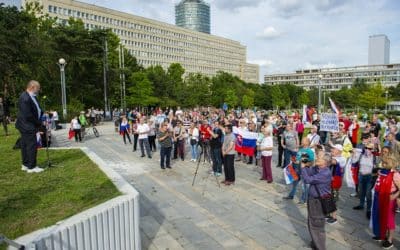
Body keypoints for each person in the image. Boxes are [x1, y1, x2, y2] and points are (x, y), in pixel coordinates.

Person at [301, 152, 333, 250]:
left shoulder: (325, 173)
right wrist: (305, 163)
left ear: (325, 162)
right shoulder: (318, 168)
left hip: (318, 202)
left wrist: (303, 168)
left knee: (317, 224)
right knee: (312, 221)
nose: (316, 158)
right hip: (313, 200)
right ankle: (315, 242)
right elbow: (309, 171)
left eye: (318, 157)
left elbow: (307, 179)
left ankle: (320, 247)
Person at [371, 155, 400, 249]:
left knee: (389, 220)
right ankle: (382, 235)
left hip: (389, 200)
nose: (383, 163)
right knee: (380, 216)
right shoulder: (383, 171)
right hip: (380, 197)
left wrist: (394, 196)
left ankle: (390, 240)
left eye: (386, 162)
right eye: (383, 162)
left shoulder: (395, 174)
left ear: (392, 163)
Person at [15, 80, 44, 173]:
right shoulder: (25, 98)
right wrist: (38, 122)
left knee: (25, 145)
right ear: (32, 87)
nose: (39, 90)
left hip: (28, 124)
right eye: (38, 88)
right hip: (27, 125)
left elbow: (36, 108)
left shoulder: (31, 96)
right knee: (31, 145)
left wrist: (42, 113)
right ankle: (32, 166)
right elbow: (28, 115)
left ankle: (25, 164)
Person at [353, 143, 375, 219]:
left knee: (368, 194)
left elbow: (376, 168)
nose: (367, 150)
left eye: (370, 148)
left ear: (372, 150)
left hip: (369, 176)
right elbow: (354, 162)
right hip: (361, 175)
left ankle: (369, 210)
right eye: (366, 148)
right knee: (361, 191)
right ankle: (361, 205)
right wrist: (354, 154)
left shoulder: (374, 157)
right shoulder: (361, 155)